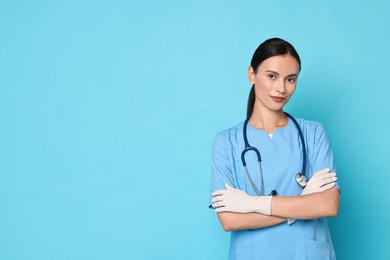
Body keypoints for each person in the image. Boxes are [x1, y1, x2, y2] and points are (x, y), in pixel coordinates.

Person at [209, 38, 340, 259]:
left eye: (291, 79)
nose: (281, 88)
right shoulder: (226, 142)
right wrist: (301, 206)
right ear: (252, 74)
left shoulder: (314, 134)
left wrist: (251, 204)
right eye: (272, 76)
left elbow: (328, 204)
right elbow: (230, 220)